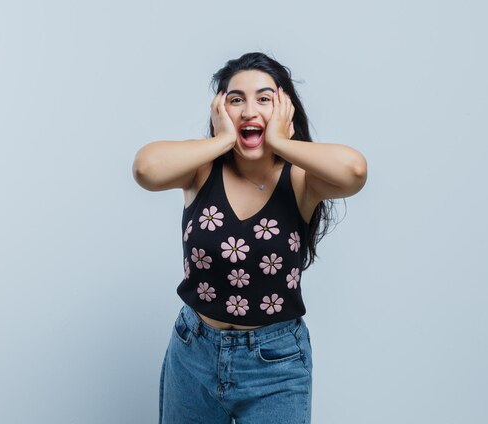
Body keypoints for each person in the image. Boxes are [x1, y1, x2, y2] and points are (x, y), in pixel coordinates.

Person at [132, 52, 368, 424]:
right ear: (220, 110)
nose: (248, 110)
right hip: (193, 351)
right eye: (235, 99)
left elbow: (354, 171)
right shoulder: (201, 171)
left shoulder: (301, 180)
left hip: (275, 364)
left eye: (264, 98)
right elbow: (145, 169)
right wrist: (223, 141)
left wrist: (280, 142)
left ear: (284, 108)